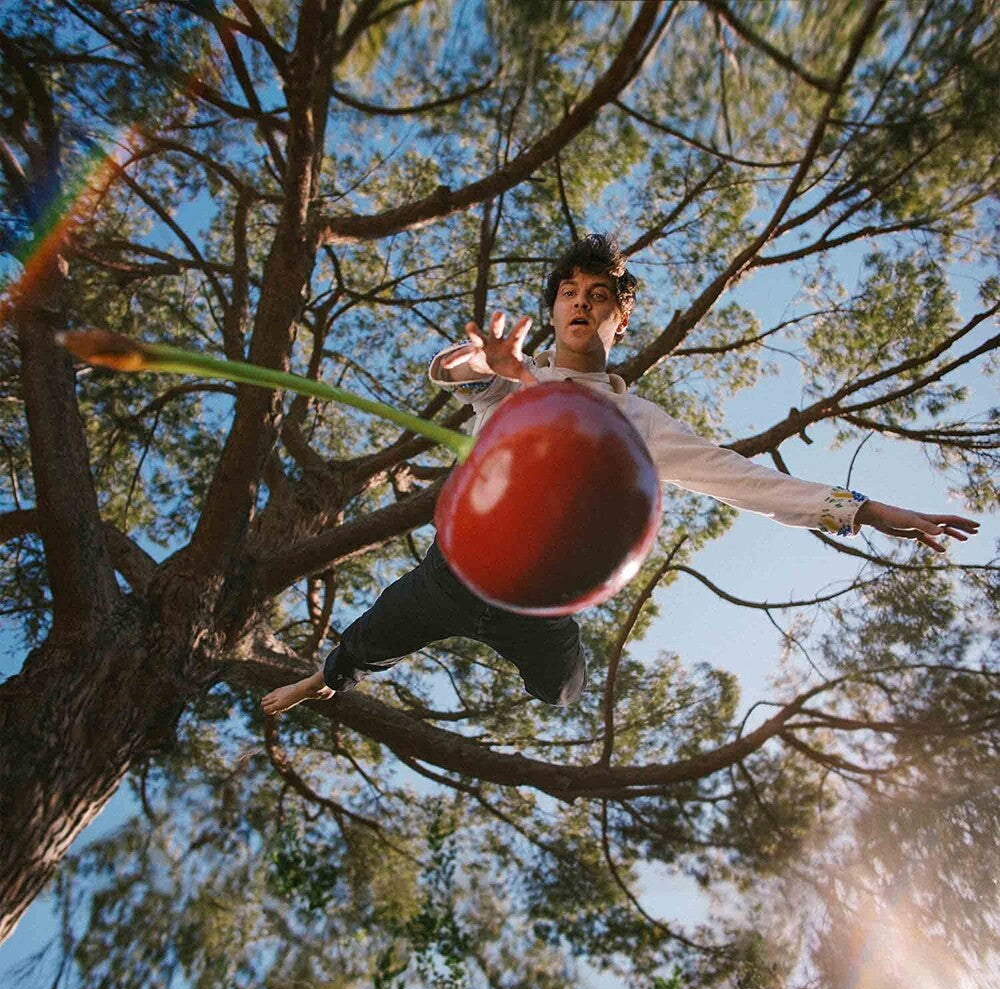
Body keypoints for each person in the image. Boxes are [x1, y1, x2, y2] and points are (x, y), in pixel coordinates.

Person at [261, 235, 979, 716]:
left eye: (599, 294)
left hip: (542, 604)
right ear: (552, 310)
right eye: (569, 290)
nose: (581, 300)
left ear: (619, 320)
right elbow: (457, 371)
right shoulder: (518, 379)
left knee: (563, 690)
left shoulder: (637, 422)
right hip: (453, 571)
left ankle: (543, 678)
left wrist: (862, 508)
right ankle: (321, 682)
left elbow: (738, 478)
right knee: (367, 638)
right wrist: (489, 365)